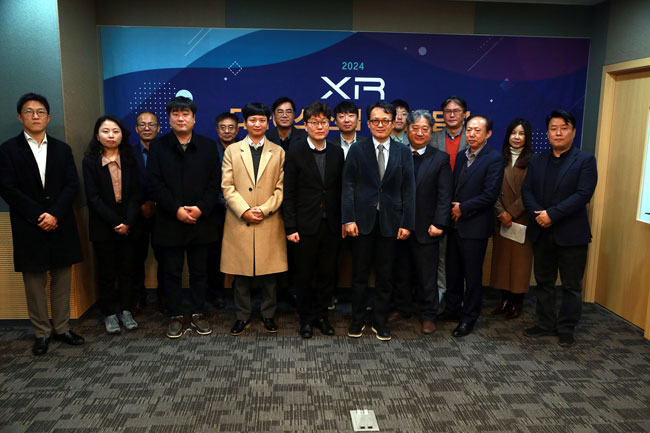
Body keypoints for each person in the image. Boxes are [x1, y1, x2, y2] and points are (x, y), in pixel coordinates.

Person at [0, 93, 84, 356]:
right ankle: (41, 333)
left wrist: (55, 214)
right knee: (34, 283)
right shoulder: (8, 150)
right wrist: (39, 215)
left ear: (48, 117)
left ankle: (62, 328)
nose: (35, 116)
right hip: (29, 224)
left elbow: (71, 185)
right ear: (20, 117)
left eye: (40, 112)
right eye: (29, 111)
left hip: (60, 223)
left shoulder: (62, 149)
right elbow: (7, 188)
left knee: (62, 279)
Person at [147, 96, 222, 339]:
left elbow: (215, 183)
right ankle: (175, 315)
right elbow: (154, 183)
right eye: (176, 114)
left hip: (201, 220)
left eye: (185, 114)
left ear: (194, 118)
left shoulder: (208, 146)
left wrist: (201, 208)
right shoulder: (158, 147)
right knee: (171, 272)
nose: (181, 118)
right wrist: (176, 209)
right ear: (169, 118)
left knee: (200, 271)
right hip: (170, 220)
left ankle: (199, 313)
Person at [522, 109, 597, 347]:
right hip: (541, 231)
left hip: (571, 234)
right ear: (547, 132)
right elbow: (527, 191)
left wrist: (552, 215)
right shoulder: (537, 160)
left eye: (564, 128)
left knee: (571, 285)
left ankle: (566, 328)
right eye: (553, 128)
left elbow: (583, 195)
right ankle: (545, 323)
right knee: (543, 282)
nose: (558, 133)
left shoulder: (585, 160)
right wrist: (539, 215)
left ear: (573, 131)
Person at [342, 101, 415, 341]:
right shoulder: (357, 149)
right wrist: (348, 218)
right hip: (361, 222)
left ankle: (380, 320)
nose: (380, 125)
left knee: (385, 276)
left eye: (385, 120)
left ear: (393, 123)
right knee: (360, 275)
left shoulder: (403, 151)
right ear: (368, 123)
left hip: (391, 223)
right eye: (375, 121)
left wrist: (407, 222)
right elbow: (348, 186)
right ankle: (357, 319)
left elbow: (409, 189)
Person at [221, 102, 287, 336]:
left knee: (269, 273)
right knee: (240, 273)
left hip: (268, 219)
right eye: (252, 120)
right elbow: (227, 187)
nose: (257, 124)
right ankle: (242, 316)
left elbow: (281, 188)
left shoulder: (278, 151)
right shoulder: (232, 151)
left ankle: (268, 315)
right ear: (245, 123)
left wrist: (264, 209)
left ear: (268, 123)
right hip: (240, 219)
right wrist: (245, 210)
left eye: (261, 120)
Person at [283, 101, 344, 338]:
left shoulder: (337, 152)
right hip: (304, 225)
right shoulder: (296, 151)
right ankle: (306, 319)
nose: (320, 126)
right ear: (306, 125)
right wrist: (290, 226)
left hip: (331, 225)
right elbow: (289, 192)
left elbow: (341, 190)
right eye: (314, 122)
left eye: (324, 122)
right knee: (304, 275)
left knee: (327, 275)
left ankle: (322, 317)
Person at [391, 110, 452, 334]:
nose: (419, 133)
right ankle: (403, 308)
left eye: (425, 129)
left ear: (431, 132)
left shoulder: (440, 158)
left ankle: (429, 315)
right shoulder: (397, 154)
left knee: (427, 276)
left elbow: (444, 195)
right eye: (415, 128)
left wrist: (439, 223)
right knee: (401, 272)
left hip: (427, 228)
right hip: (399, 226)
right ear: (407, 130)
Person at [442, 115, 503, 337]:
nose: (472, 134)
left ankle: (469, 318)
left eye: (477, 130)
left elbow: (490, 195)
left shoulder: (494, 159)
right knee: (453, 272)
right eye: (469, 130)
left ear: (488, 134)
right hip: (455, 225)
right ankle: (452, 310)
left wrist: (463, 208)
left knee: (472, 276)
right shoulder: (461, 156)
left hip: (475, 226)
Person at [83, 115, 141, 334]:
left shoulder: (130, 158)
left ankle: (126, 310)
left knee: (127, 270)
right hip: (103, 224)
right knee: (107, 272)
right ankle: (109, 313)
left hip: (129, 221)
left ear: (122, 135)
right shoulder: (90, 161)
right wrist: (117, 222)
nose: (111, 135)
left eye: (115, 131)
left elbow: (136, 193)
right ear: (97, 135)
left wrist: (128, 221)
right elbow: (93, 197)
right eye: (105, 131)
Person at [490, 118, 535, 319]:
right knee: (502, 262)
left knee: (519, 264)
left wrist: (512, 213)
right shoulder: (499, 160)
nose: (516, 137)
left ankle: (517, 302)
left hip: (521, 219)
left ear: (527, 137)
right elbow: (491, 189)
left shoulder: (534, 161)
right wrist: (501, 213)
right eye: (513, 133)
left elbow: (531, 192)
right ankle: (504, 300)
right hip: (501, 220)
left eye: (521, 133)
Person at [430, 96, 469, 313]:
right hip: (438, 205)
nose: (452, 114)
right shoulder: (433, 138)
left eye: (456, 110)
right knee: (439, 255)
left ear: (465, 114)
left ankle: (459, 300)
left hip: (465, 208)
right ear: (442, 115)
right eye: (447, 111)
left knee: (461, 257)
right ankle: (440, 296)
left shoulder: (473, 137)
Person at [131, 110, 165, 312]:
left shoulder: (167, 152)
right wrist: (141, 204)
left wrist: (157, 203)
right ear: (136, 129)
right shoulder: (128, 154)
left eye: (151, 124)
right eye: (142, 124)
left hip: (163, 213)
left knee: (165, 258)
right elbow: (126, 185)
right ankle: (138, 297)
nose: (147, 128)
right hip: (137, 214)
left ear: (158, 128)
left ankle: (164, 298)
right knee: (136, 258)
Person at [207, 111, 239, 310]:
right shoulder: (210, 150)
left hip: (240, 212)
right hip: (216, 212)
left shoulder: (243, 149)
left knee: (241, 254)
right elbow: (207, 182)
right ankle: (216, 293)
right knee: (215, 255)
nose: (227, 131)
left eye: (231, 127)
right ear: (217, 130)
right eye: (223, 127)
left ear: (237, 130)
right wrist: (222, 201)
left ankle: (240, 293)